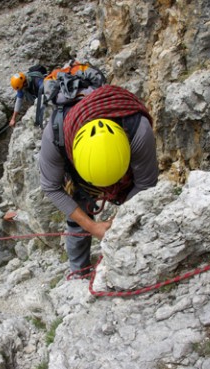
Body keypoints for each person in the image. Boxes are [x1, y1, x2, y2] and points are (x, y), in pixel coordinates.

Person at [39, 84, 159, 274]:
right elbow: (51, 187)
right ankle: (79, 272)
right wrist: (91, 226)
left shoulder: (138, 129)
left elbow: (145, 183)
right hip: (79, 178)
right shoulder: (55, 136)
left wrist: (118, 221)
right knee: (78, 220)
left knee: (138, 214)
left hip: (126, 172)